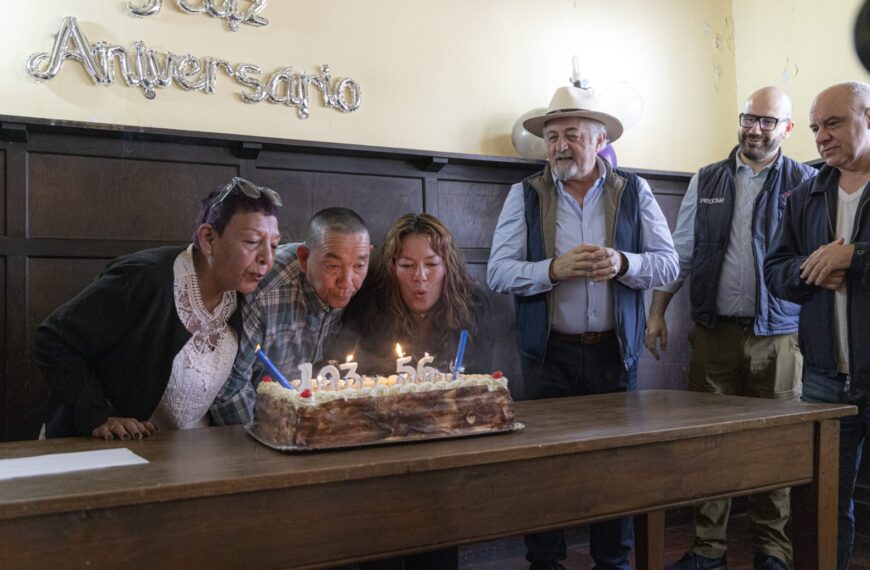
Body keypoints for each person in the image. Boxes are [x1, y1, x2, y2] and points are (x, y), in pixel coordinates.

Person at [487, 85, 679, 570]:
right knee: (543, 468)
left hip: (615, 355)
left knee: (616, 468)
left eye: (572, 135)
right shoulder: (524, 194)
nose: (560, 146)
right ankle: (545, 563)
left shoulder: (634, 191)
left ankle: (612, 562)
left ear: (599, 141)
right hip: (548, 356)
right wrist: (553, 269)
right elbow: (498, 272)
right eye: (552, 136)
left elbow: (669, 264)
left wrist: (623, 263)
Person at [644, 87, 817, 570]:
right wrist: (657, 312)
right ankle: (708, 550)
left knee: (773, 446)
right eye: (748, 118)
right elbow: (681, 252)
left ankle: (772, 551)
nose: (754, 129)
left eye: (767, 121)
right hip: (713, 335)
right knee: (709, 444)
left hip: (779, 337)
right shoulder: (708, 178)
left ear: (787, 129)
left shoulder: (806, 181)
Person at [35, 177, 282, 439]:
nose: (267, 259)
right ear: (208, 239)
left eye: (275, 245)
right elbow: (52, 339)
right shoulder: (144, 278)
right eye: (252, 241)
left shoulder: (242, 293)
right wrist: (98, 415)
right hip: (101, 446)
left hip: (186, 450)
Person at [765, 81, 870, 570]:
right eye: (814, 128)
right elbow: (776, 269)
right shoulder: (805, 193)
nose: (821, 136)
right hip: (825, 379)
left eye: (832, 123)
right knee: (824, 506)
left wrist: (855, 257)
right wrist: (812, 269)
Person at [210, 206, 372, 425]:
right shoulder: (263, 291)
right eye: (333, 266)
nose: (346, 282)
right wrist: (274, 435)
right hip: (258, 424)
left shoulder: (366, 286)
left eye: (359, 265)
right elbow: (229, 392)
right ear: (304, 258)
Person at [335, 212, 494, 377]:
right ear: (392, 268)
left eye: (431, 264)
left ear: (447, 267)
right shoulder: (368, 305)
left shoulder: (473, 305)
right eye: (407, 265)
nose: (420, 276)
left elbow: (480, 380)